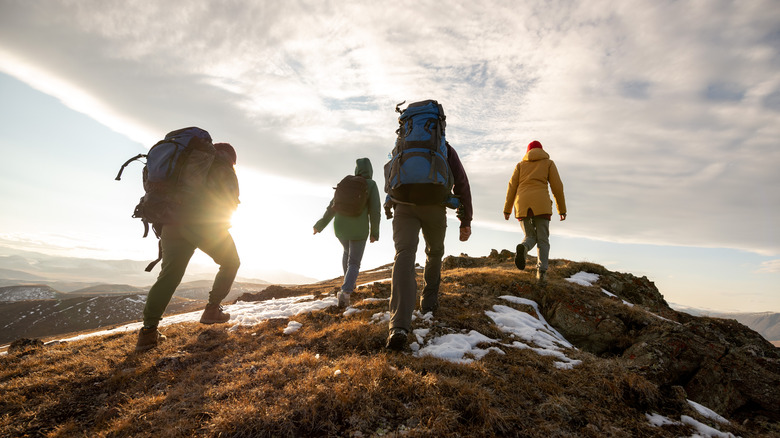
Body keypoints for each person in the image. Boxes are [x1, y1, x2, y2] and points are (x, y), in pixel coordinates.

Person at [135, 142, 241, 352]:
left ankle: (148, 332)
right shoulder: (221, 165)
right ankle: (212, 310)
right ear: (231, 157)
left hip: (170, 223)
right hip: (203, 224)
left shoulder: (184, 164)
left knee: (168, 276)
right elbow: (229, 200)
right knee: (230, 262)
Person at [385, 142, 473, 351]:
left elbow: (390, 175)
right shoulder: (444, 148)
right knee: (434, 252)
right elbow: (461, 182)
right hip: (434, 207)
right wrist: (466, 220)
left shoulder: (402, 145)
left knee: (404, 254)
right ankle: (429, 303)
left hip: (403, 207)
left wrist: (391, 203)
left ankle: (398, 327)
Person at [313, 158, 381, 308]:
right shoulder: (371, 184)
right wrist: (375, 232)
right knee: (354, 262)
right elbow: (375, 210)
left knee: (346, 252)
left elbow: (332, 207)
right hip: (359, 229)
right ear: (370, 171)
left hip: (340, 228)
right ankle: (346, 292)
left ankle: (348, 283)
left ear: (357, 169)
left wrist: (320, 225)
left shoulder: (346, 183)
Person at [503, 140, 566, 283]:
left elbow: (511, 187)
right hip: (541, 205)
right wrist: (561, 209)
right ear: (542, 150)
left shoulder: (520, 165)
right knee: (543, 239)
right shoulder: (548, 163)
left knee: (529, 236)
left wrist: (507, 209)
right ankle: (541, 273)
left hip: (522, 204)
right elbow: (557, 187)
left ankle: (524, 248)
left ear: (527, 152)